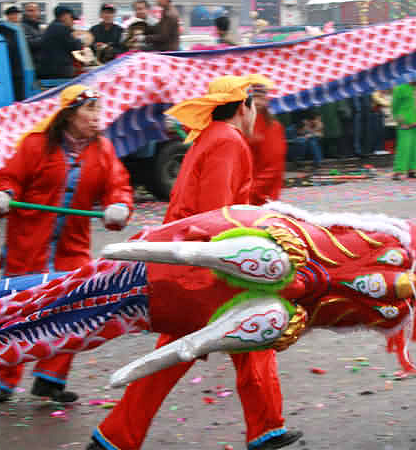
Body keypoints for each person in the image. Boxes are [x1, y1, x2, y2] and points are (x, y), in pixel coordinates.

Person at [87, 75, 302, 450]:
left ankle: (266, 429)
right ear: (242, 107)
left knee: (244, 340)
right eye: (254, 106)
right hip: (205, 269)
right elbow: (217, 216)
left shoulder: (213, 138)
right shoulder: (228, 141)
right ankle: (115, 436)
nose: (257, 115)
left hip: (194, 264)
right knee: (203, 345)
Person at [0, 84, 133, 403]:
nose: (97, 117)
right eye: (89, 109)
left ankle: (50, 379)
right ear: (69, 115)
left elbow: (117, 186)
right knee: (19, 313)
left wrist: (119, 206)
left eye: (97, 109)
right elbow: (10, 178)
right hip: (28, 244)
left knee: (76, 308)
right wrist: (4, 195)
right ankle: (6, 380)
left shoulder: (103, 149)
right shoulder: (36, 145)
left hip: (72, 246)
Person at [249, 84, 287, 204]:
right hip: (246, 189)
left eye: (260, 97)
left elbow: (273, 167)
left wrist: (251, 191)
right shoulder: (243, 122)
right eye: (254, 97)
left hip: (261, 193)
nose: (256, 101)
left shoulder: (272, 126)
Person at [392, 79, 416, 179]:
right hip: (405, 121)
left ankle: (413, 170)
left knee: (415, 147)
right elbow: (394, 106)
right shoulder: (400, 87)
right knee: (403, 147)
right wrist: (399, 118)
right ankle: (398, 171)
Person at [38, 6, 83, 79]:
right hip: (59, 71)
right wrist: (80, 40)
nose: (73, 22)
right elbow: (76, 47)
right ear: (65, 16)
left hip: (48, 70)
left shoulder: (52, 27)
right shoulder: (63, 28)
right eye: (72, 19)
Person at [21, 2, 43, 68]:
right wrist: (46, 38)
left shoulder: (39, 27)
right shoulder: (22, 27)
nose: (33, 13)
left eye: (35, 10)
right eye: (30, 11)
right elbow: (28, 43)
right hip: (32, 67)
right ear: (25, 13)